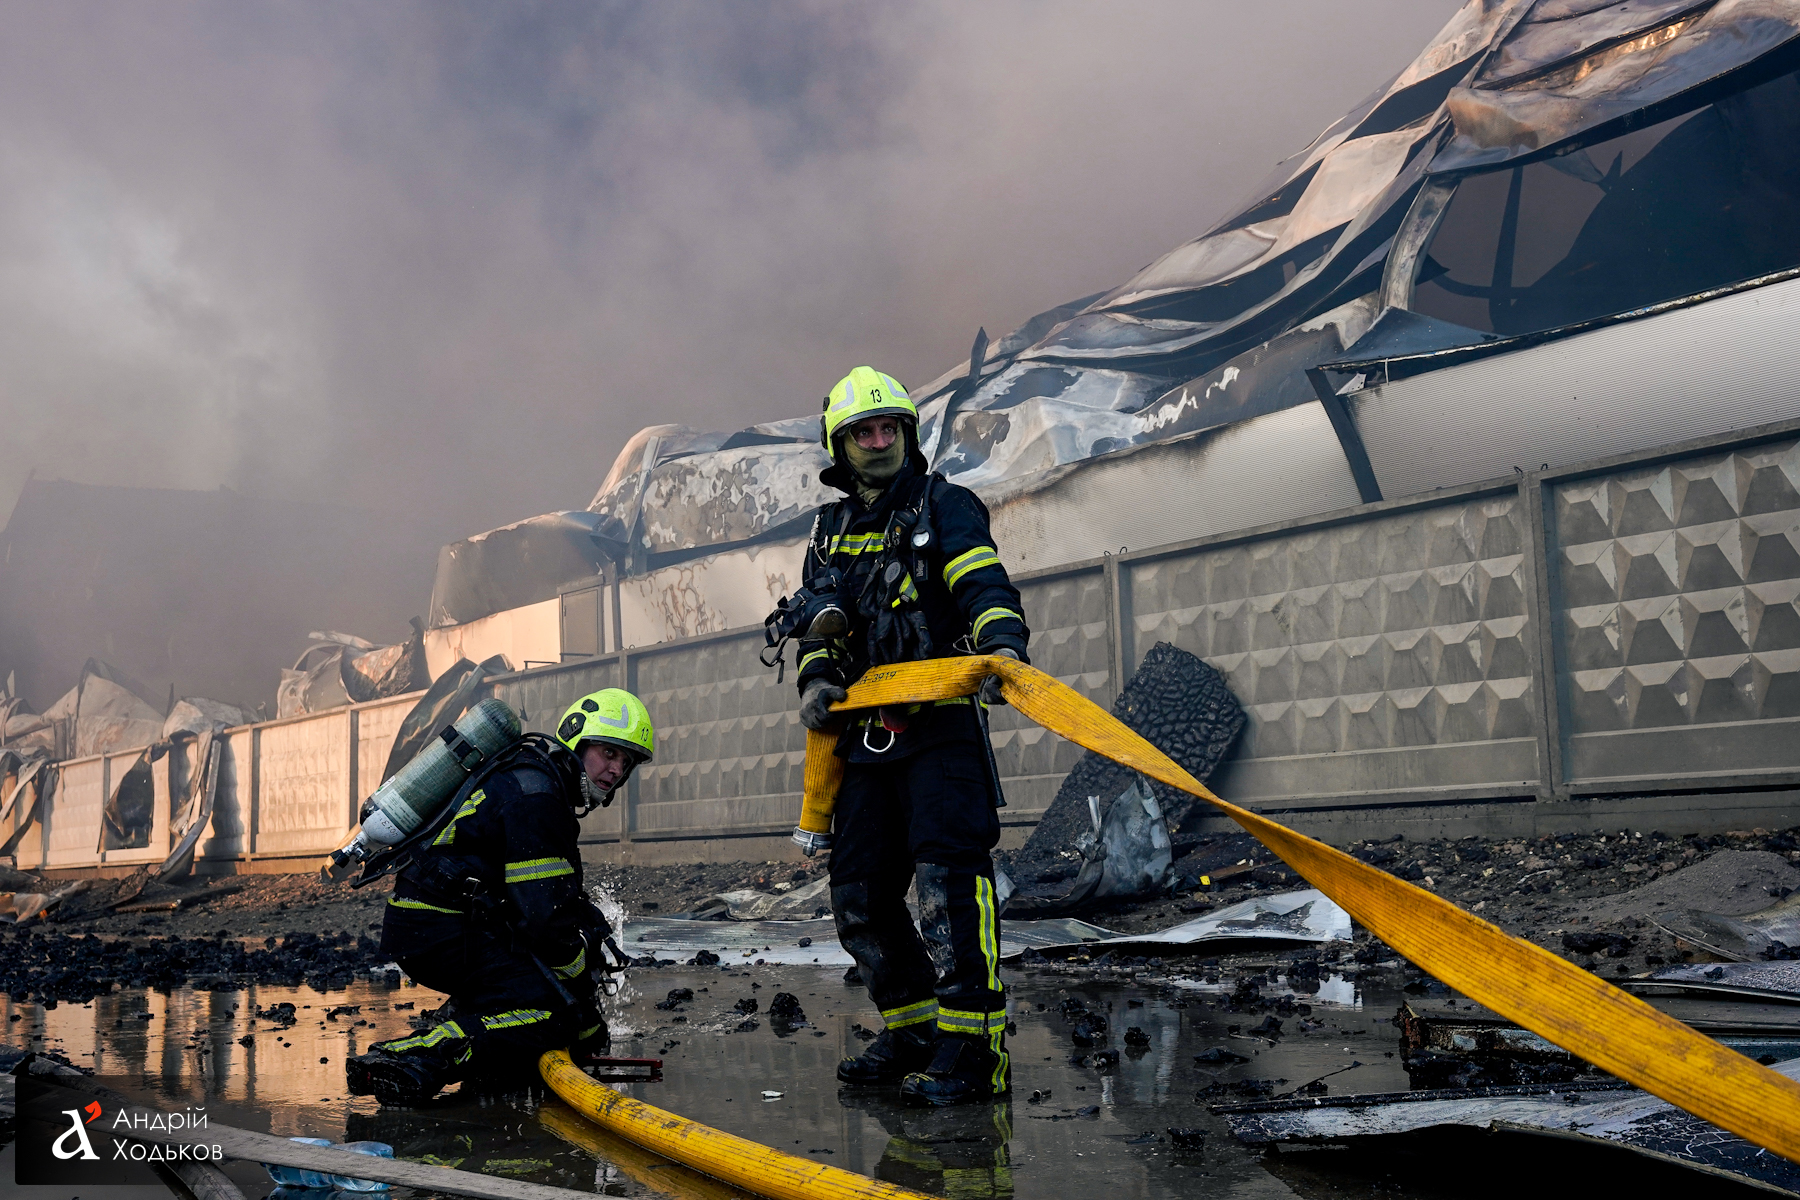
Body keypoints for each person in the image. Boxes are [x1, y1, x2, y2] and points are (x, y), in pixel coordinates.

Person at [795, 365, 1030, 1106]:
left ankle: (974, 1050)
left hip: (941, 730)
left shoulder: (945, 504)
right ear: (841, 444)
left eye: (889, 428)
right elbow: (819, 627)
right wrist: (815, 679)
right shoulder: (828, 532)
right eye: (864, 431)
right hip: (864, 739)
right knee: (859, 891)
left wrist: (1002, 647)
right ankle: (913, 1029)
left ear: (907, 434)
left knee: (948, 885)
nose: (878, 440)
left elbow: (982, 582)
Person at [345, 688, 654, 1103]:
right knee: (556, 1016)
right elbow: (546, 922)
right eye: (608, 753)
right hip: (441, 930)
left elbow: (551, 902)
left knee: (538, 991)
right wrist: (581, 989)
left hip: (437, 922)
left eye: (626, 762)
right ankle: (413, 1058)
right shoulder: (538, 798)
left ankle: (473, 1033)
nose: (616, 769)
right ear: (577, 742)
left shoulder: (533, 778)